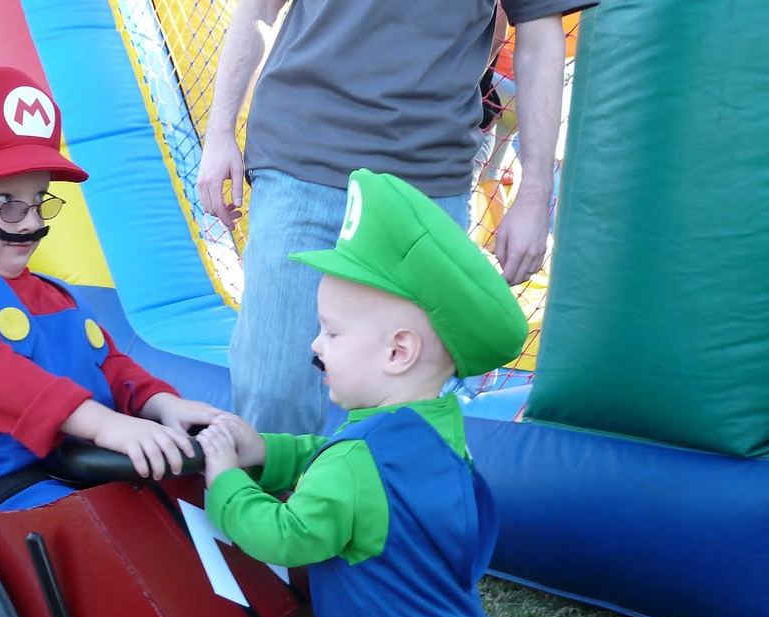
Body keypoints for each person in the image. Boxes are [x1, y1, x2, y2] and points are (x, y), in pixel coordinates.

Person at [197, 169, 528, 617]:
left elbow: (284, 534)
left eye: (333, 332)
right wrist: (271, 450)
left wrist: (225, 478)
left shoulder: (355, 463)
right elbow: (334, 465)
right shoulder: (431, 429)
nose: (315, 347)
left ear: (399, 353)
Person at [198, 0, 593, 435]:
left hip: (427, 175)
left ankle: (374, 500)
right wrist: (219, 134)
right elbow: (258, 9)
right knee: (275, 386)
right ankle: (272, 499)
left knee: (406, 401)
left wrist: (535, 194)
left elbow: (538, 33)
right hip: (302, 154)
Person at [0, 66, 221, 512]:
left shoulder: (59, 294)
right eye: (6, 203)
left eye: (39, 200)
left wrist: (161, 403)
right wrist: (103, 425)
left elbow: (112, 367)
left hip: (85, 467)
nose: (32, 222)